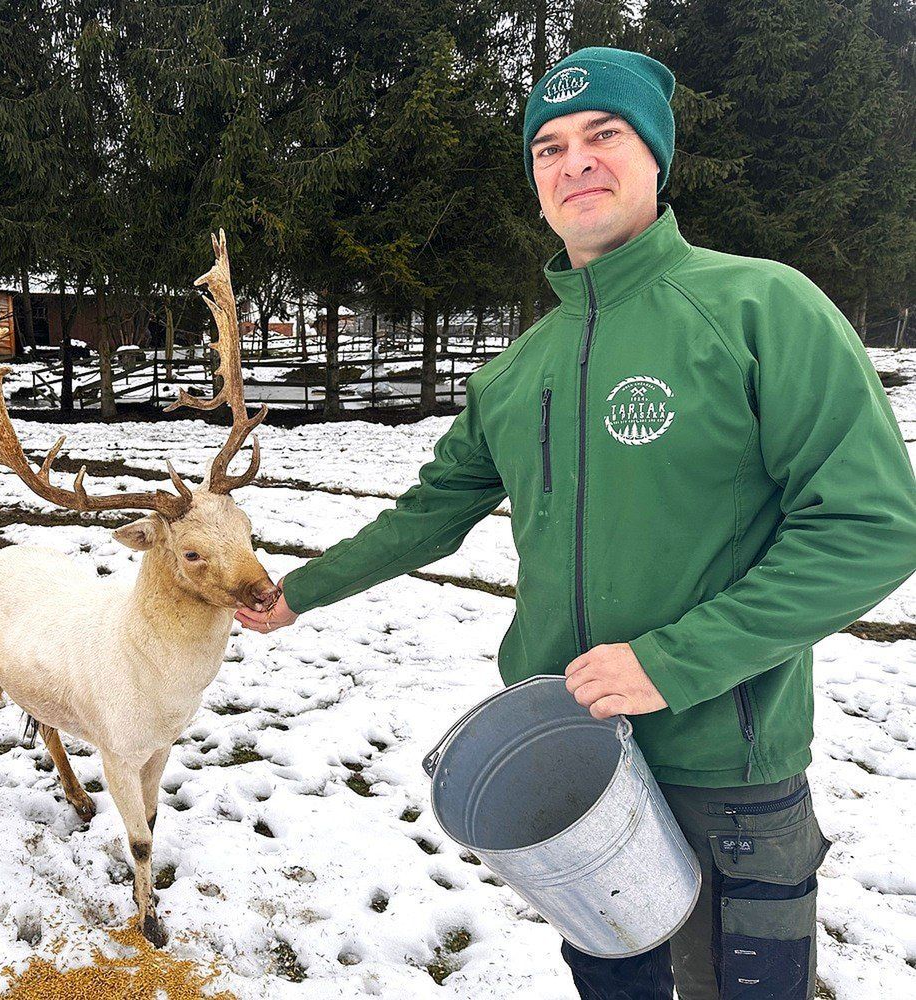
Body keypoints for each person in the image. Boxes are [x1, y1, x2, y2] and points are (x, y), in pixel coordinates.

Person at [236, 45, 916, 1000]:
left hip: (726, 765)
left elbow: (869, 524)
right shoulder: (517, 370)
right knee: (613, 985)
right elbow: (431, 513)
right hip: (574, 767)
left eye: (604, 135)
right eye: (547, 149)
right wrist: (293, 593)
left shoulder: (760, 306)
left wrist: (670, 662)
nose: (575, 162)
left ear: (654, 157)